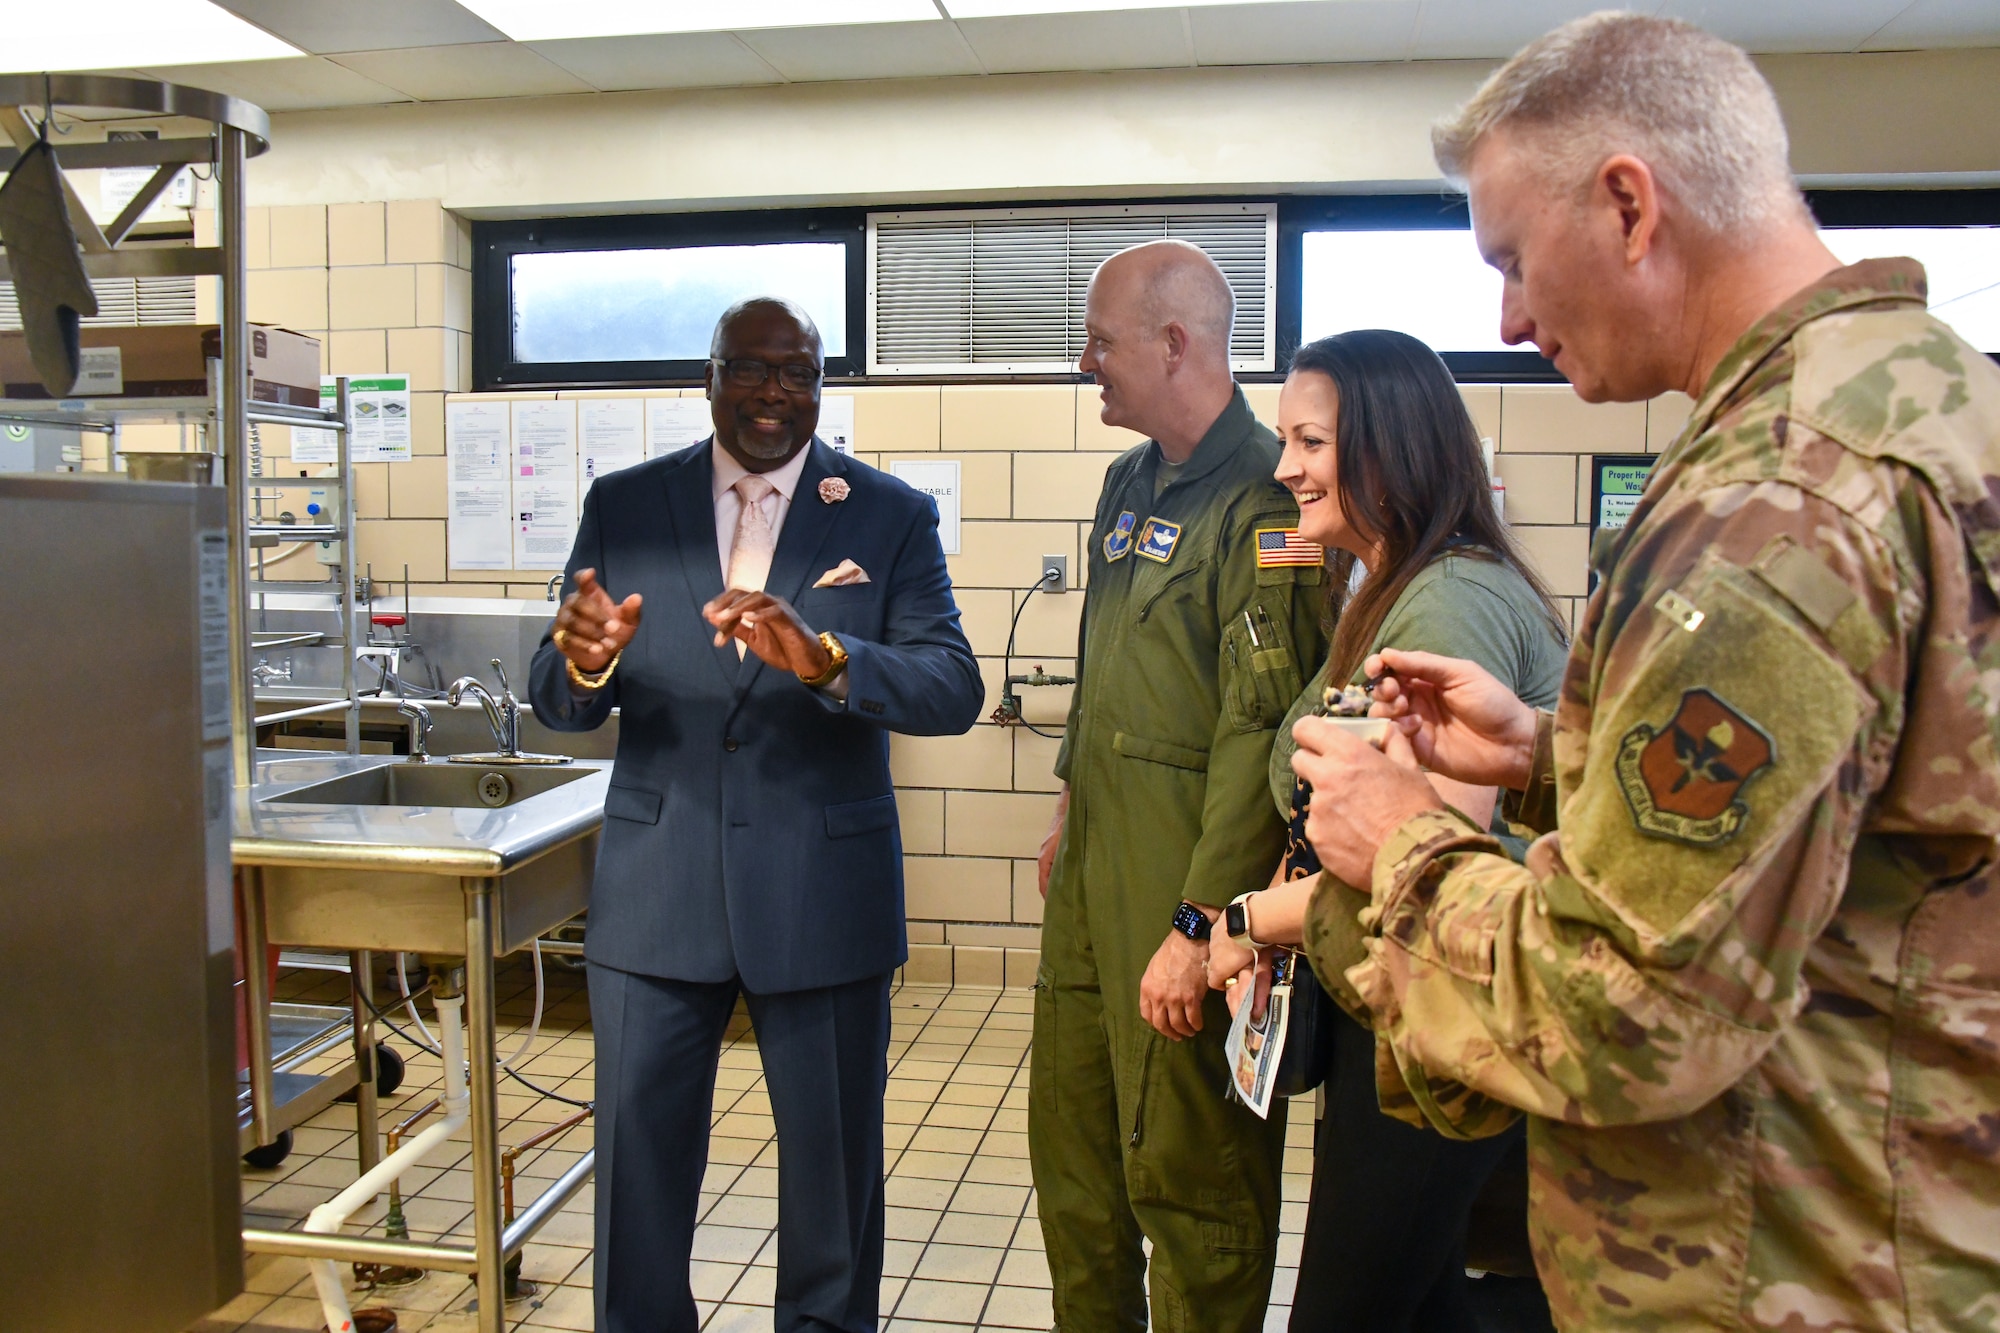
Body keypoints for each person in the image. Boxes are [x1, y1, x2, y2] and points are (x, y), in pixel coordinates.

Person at [1284, 12, 2000, 1331]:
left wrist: (1399, 845)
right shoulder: (1932, 401)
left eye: (1510, 258)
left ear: (1627, 204)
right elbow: (1874, 812)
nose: (1506, 312)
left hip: (1788, 1262)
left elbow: (1627, 1018)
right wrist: (1551, 748)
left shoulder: (1776, 504)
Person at [530, 297, 985, 1333]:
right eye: (753, 370)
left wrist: (827, 660)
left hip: (821, 891)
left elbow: (950, 685)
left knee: (832, 1182)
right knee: (637, 1171)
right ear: (710, 374)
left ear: (820, 385)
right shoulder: (627, 504)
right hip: (656, 888)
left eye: (799, 373)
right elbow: (560, 694)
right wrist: (584, 659)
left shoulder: (885, 513)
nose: (776, 394)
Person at [1203, 329, 1568, 1332]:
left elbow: (1421, 873)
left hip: (1441, 1024)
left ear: (1389, 447)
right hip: (1406, 1020)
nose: (1284, 468)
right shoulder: (1387, 587)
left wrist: (1239, 922)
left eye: (1309, 442)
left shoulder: (1445, 601)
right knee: (1417, 1302)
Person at [1028, 239, 1328, 1331]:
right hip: (1093, 875)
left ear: (1173, 342)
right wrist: (1067, 805)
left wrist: (1200, 920)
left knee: (1192, 1185)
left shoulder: (1267, 500)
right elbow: (1109, 662)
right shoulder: (1126, 480)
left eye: (1099, 342)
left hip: (1185, 882)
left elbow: (1265, 730)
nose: (1084, 362)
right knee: (1075, 1166)